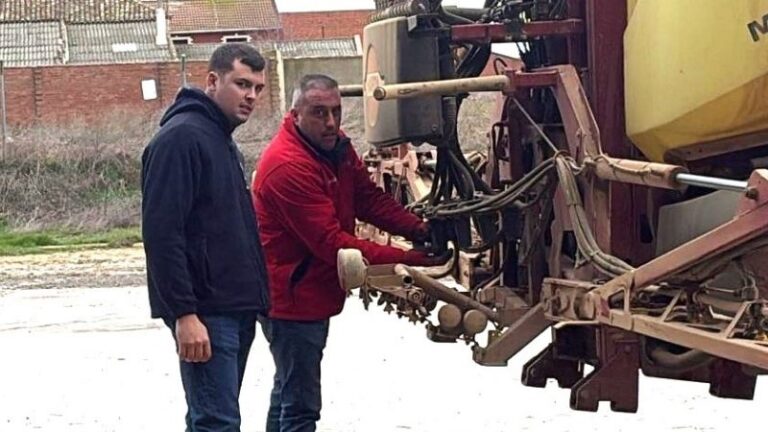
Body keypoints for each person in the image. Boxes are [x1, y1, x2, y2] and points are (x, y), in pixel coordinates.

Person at [251, 74, 448, 432]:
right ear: (295, 115)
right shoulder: (288, 167)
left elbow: (367, 199)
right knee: (301, 407)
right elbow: (334, 245)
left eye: (336, 112)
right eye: (319, 113)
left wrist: (418, 228)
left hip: (307, 291)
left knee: (287, 391)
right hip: (291, 300)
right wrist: (414, 259)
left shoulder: (334, 147)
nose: (330, 122)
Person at [141, 43, 270, 431]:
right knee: (218, 422)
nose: (250, 96)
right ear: (212, 81)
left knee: (209, 419)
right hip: (206, 312)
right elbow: (163, 235)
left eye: (258, 88)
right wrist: (184, 314)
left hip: (233, 307)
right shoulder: (181, 139)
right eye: (242, 84)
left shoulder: (220, 138)